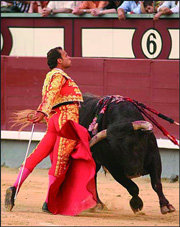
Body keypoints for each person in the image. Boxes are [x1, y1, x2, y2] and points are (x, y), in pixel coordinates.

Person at [5, 47, 98, 215]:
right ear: (59, 61)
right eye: (66, 55)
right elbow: (51, 95)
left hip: (55, 120)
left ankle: (14, 187)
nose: (70, 57)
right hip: (65, 122)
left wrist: (43, 112)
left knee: (36, 155)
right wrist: (42, 111)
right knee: (60, 162)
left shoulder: (51, 77)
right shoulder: (58, 75)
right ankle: (48, 203)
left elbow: (49, 97)